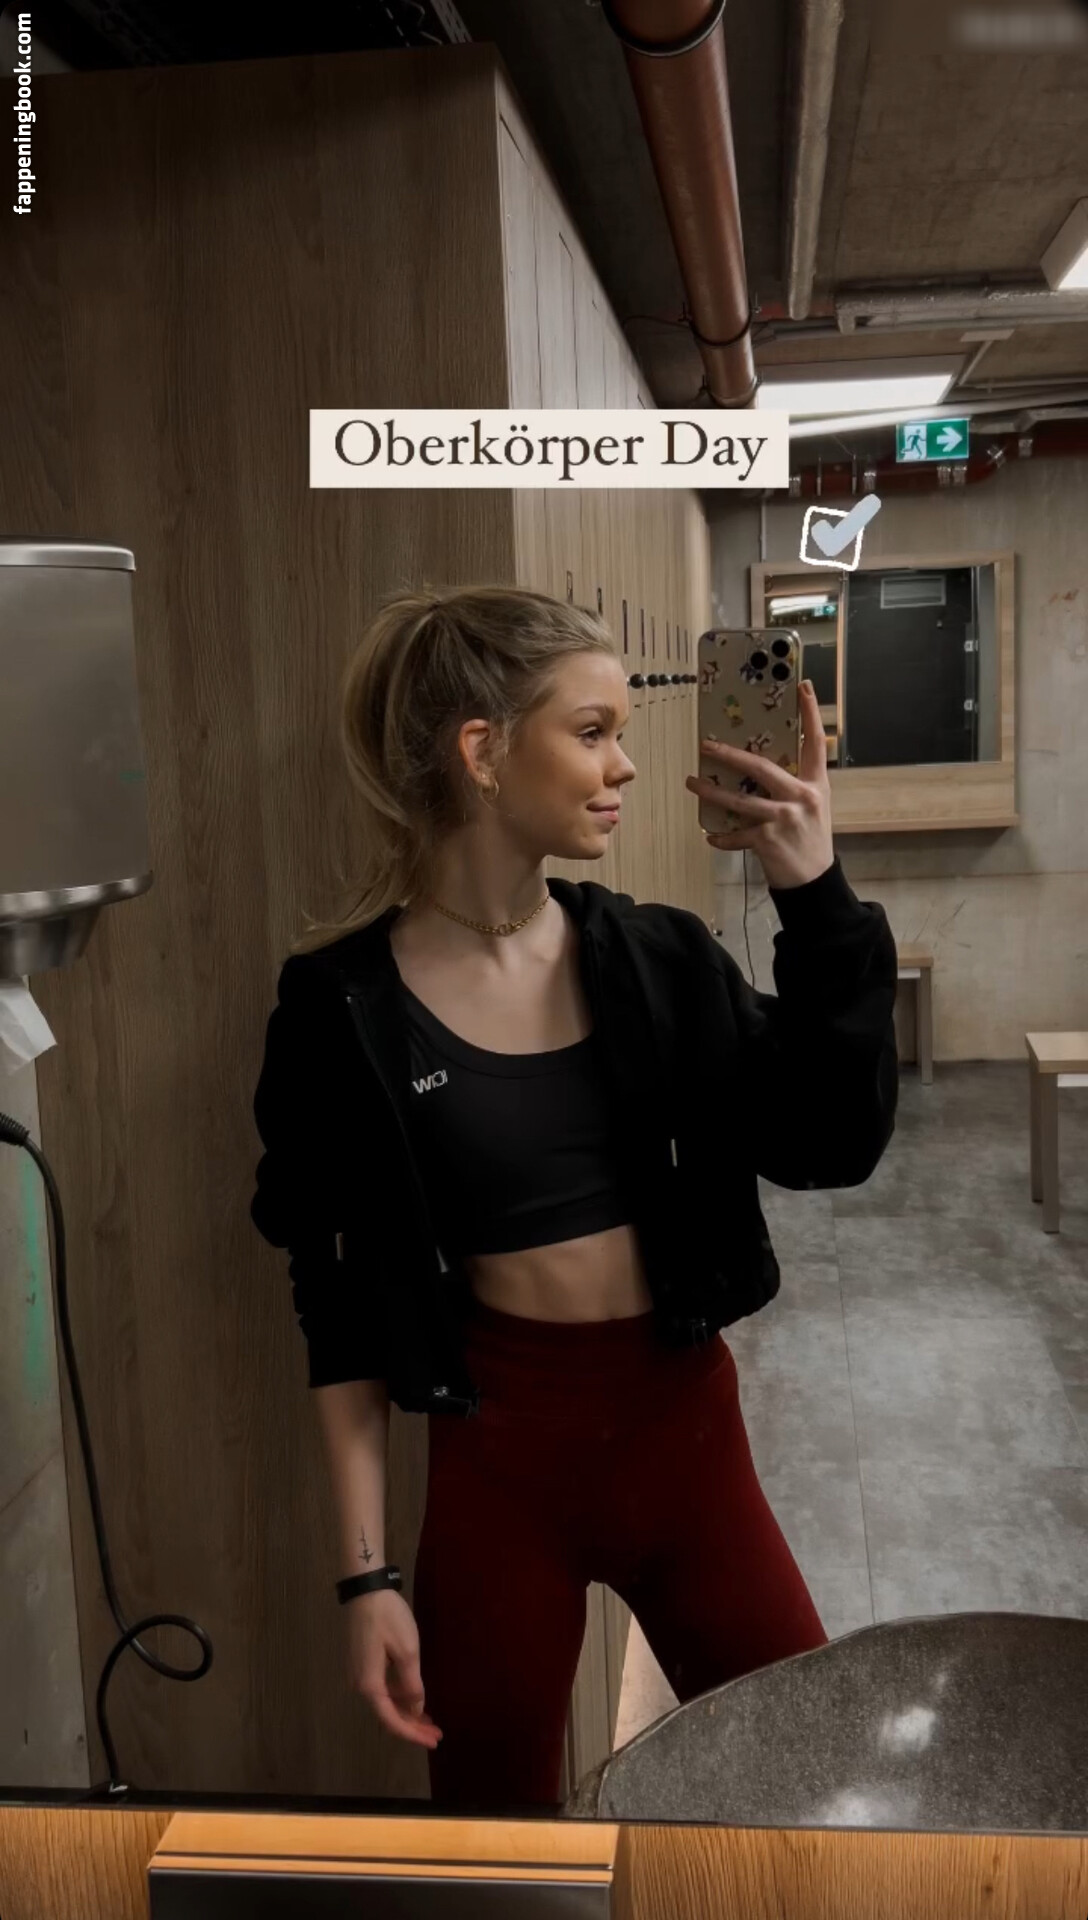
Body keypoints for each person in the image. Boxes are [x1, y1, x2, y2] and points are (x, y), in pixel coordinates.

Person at [250, 584, 898, 1813]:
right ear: (483, 752)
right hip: (500, 1468)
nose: (626, 767)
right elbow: (336, 1307)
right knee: (491, 1839)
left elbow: (831, 1141)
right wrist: (365, 1579)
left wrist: (812, 892)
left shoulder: (659, 958)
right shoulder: (341, 1012)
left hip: (685, 1442)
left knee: (812, 1781)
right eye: (592, 732)